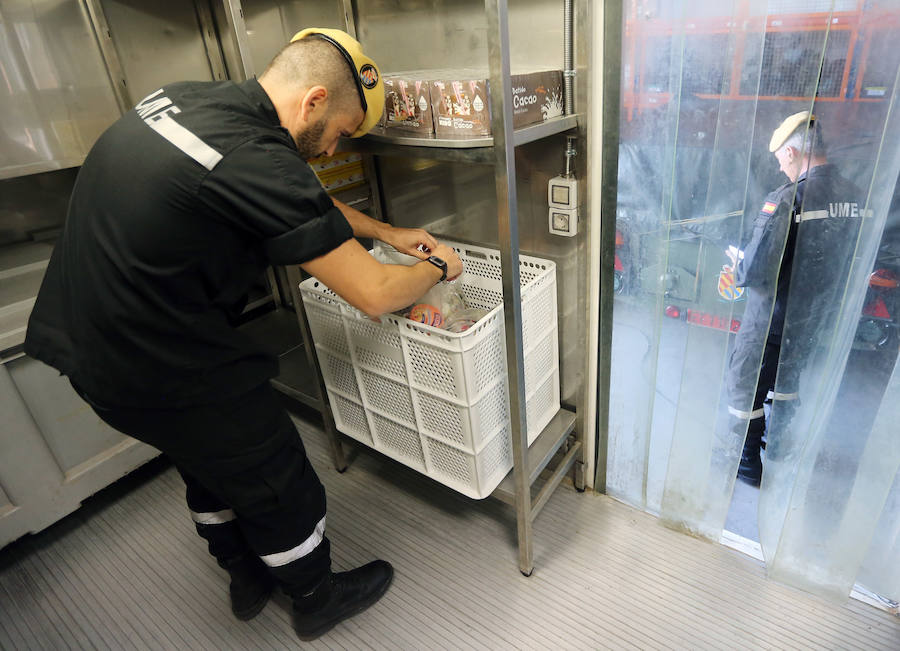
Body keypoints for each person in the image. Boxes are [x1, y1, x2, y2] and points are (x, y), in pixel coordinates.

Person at [24, 27, 462, 641]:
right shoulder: (258, 158)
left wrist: (386, 234)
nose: (335, 148)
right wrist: (439, 266)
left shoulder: (191, 103)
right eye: (339, 131)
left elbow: (303, 201)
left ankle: (245, 575)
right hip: (160, 356)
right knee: (273, 475)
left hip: (87, 345)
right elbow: (376, 295)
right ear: (313, 101)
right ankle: (315, 596)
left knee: (205, 460)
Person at [726, 111, 864, 487]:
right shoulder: (854, 197)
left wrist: (738, 267)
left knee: (745, 384)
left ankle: (746, 464)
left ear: (791, 153)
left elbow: (754, 270)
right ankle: (781, 446)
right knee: (787, 381)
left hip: (772, 316)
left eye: (780, 160)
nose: (781, 168)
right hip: (812, 318)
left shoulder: (788, 199)